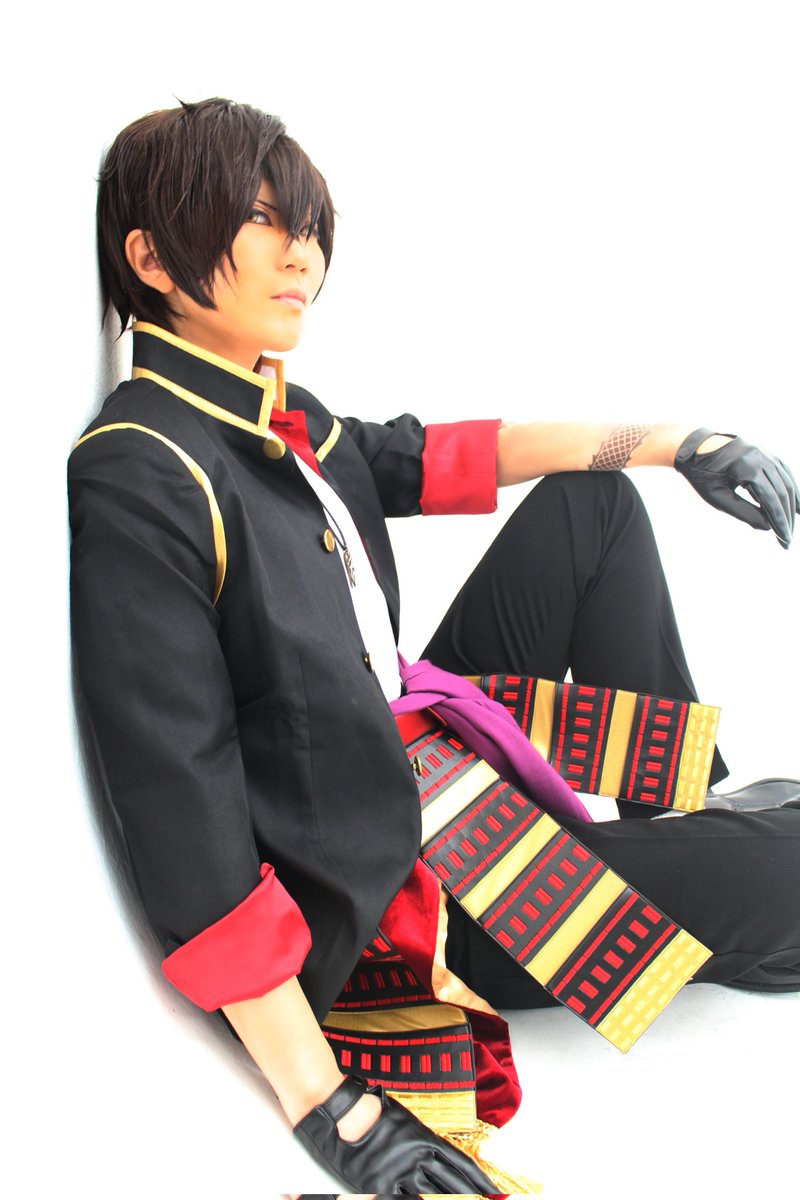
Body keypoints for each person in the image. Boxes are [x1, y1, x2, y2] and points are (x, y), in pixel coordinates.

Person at [69, 97, 800, 1196]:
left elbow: (449, 454)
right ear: (150, 259)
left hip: (406, 752)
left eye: (309, 227)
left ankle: (682, 840)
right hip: (386, 893)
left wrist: (678, 442)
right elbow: (181, 809)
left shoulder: (272, 413)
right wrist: (333, 1111)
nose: (302, 255)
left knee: (589, 505)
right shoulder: (145, 470)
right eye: (263, 220)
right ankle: (728, 878)